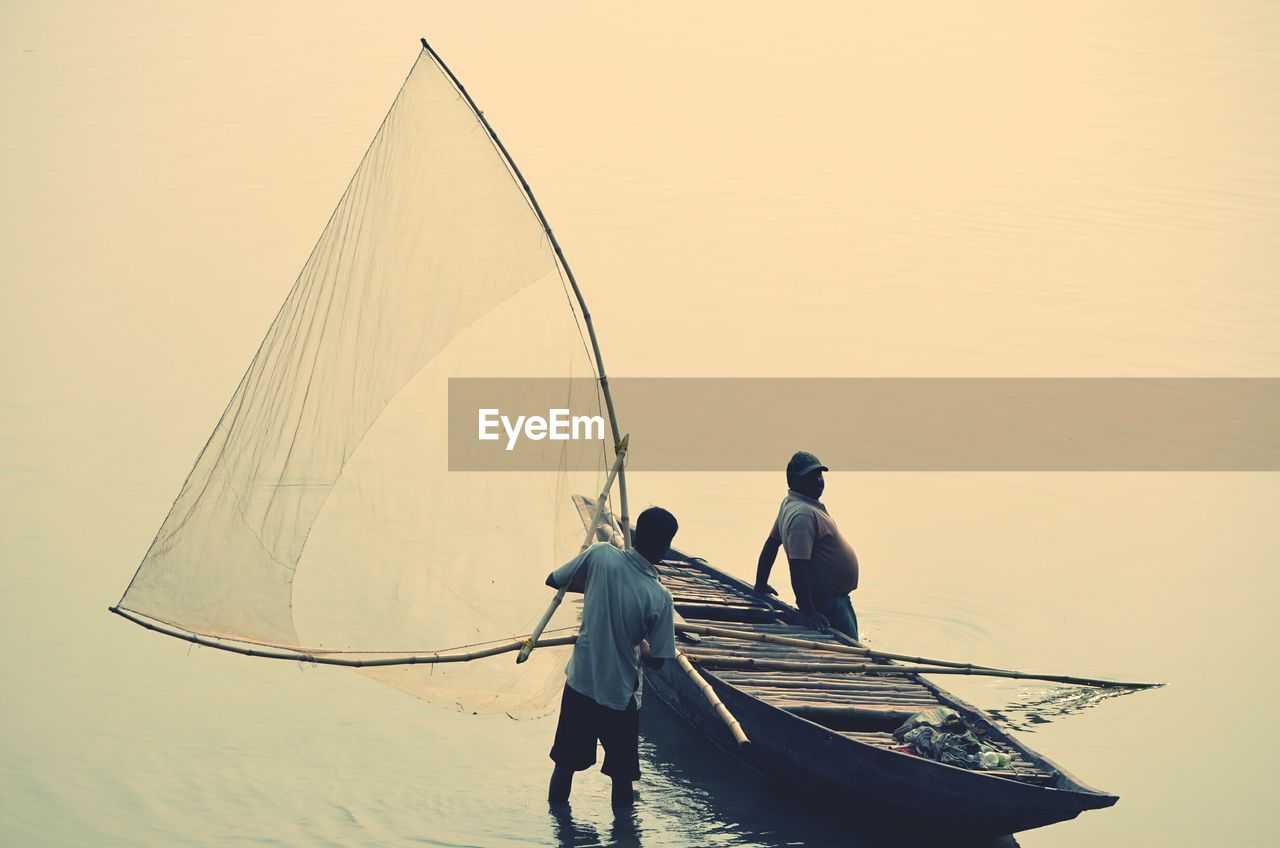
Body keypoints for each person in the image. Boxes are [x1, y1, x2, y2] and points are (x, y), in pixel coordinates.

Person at [546, 506, 679, 808]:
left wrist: (596, 587)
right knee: (622, 778)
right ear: (665, 547)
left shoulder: (601, 555)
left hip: (581, 683)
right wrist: (643, 646)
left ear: (635, 535)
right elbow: (658, 660)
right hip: (619, 696)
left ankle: (558, 824)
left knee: (564, 766)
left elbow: (555, 579)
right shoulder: (659, 597)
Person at [754, 451, 860, 640]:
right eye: (811, 477)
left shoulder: (792, 504)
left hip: (834, 600)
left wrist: (761, 585)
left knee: (851, 651)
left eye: (820, 475)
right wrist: (809, 611)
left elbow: (771, 545)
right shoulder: (802, 515)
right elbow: (798, 565)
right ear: (793, 480)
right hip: (829, 604)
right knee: (852, 654)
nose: (819, 481)